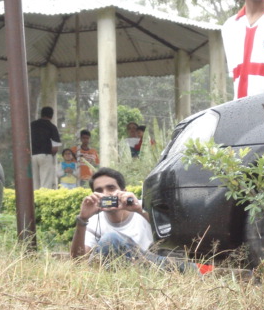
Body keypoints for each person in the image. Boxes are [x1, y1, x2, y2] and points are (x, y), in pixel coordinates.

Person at [70, 167, 213, 274]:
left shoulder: (140, 206)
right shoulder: (95, 221)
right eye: (99, 191)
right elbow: (77, 261)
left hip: (156, 267)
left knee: (187, 268)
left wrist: (139, 210)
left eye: (111, 188)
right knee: (110, 240)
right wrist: (82, 219)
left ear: (123, 190)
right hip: (125, 274)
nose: (106, 194)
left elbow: (177, 233)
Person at [30, 106, 62, 189]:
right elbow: (55, 148)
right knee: (45, 182)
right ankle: (43, 200)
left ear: (41, 114)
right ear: (51, 116)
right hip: (46, 155)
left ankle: (34, 200)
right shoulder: (52, 127)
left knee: (34, 181)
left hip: (32, 156)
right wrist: (51, 155)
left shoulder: (31, 125)